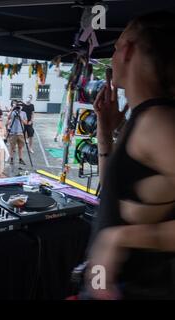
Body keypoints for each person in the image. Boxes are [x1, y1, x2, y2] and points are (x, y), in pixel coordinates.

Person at [84, 12, 175, 300]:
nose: (111, 56)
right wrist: (105, 133)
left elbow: (119, 229)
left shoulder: (157, 121)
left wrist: (120, 238)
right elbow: (112, 194)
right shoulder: (144, 119)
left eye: (116, 46)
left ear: (129, 50)